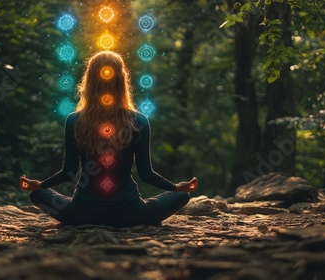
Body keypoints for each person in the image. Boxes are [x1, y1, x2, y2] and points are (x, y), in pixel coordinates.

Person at [20, 50, 198, 227]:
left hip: (81, 214)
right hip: (131, 214)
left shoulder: (74, 120)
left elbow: (69, 171)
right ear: (122, 81)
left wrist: (41, 185)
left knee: (37, 195)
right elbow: (146, 174)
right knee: (182, 196)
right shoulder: (139, 121)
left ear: (89, 81)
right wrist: (175, 188)